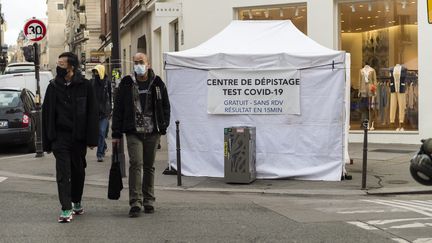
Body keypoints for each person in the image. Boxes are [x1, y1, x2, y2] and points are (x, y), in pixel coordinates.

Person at [42, 52, 99, 223]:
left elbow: (92, 112)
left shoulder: (85, 85)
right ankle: (66, 208)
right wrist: (47, 142)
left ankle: (76, 200)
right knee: (63, 172)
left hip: (79, 137)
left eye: (61, 64)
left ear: (71, 67)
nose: (58, 67)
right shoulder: (52, 86)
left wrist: (92, 139)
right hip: (60, 137)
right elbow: (47, 114)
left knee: (78, 171)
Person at [112, 53, 170, 218]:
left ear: (148, 64)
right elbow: (119, 108)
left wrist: (163, 125)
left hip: (153, 131)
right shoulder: (126, 83)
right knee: (136, 164)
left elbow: (165, 105)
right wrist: (116, 132)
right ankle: (135, 202)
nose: (138, 65)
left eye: (141, 62)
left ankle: (149, 200)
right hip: (133, 131)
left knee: (149, 166)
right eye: (135, 62)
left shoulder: (157, 83)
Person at [90, 64, 112, 162]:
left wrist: (110, 108)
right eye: (94, 72)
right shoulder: (92, 82)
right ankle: (104, 146)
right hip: (95, 111)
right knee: (99, 133)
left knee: (102, 132)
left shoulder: (107, 82)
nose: (95, 74)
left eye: (97, 72)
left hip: (105, 112)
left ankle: (100, 154)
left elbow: (110, 96)